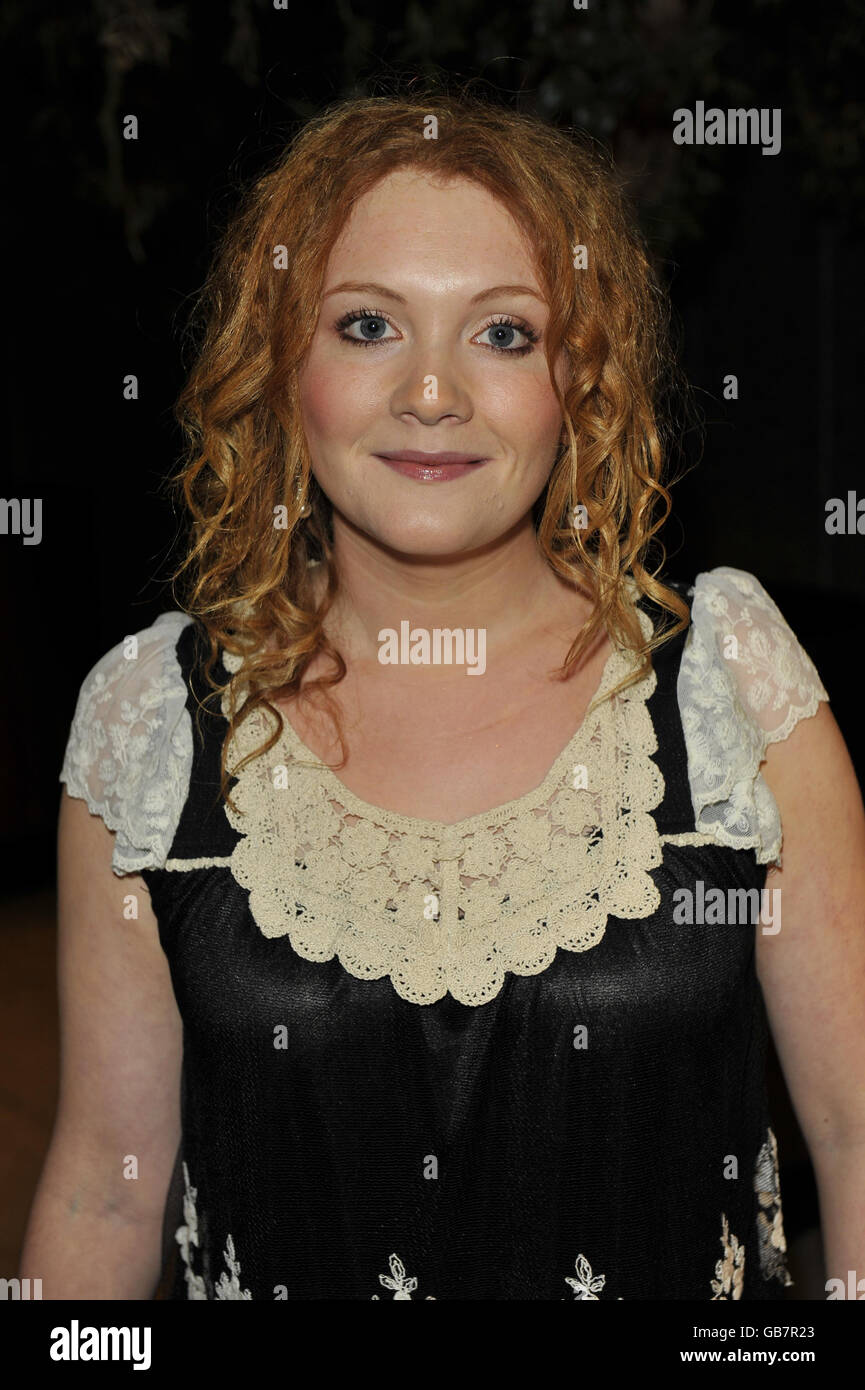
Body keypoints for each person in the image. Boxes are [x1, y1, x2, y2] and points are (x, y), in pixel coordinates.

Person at [21, 87, 865, 1301]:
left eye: (504, 333)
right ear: (278, 362)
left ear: (579, 379)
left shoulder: (730, 686)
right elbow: (104, 1185)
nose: (431, 392)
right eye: (367, 325)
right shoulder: (151, 720)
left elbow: (850, 1146)